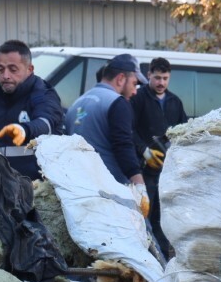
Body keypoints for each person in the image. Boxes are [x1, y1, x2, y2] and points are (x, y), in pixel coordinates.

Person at [131, 56, 187, 260]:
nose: (161, 82)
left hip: (167, 172)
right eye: (157, 78)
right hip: (142, 171)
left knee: (162, 219)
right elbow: (128, 130)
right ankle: (142, 258)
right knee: (142, 216)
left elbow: (183, 130)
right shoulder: (137, 99)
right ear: (148, 76)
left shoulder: (175, 102)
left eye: (165, 78)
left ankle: (163, 260)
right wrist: (143, 149)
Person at [0, 39, 65, 180]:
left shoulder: (43, 94)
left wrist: (24, 130)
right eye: (1, 69)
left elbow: (45, 123)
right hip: (4, 186)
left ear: (29, 69)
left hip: (38, 188)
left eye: (13, 69)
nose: (5, 76)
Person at [65, 53, 145, 186]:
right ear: (120, 79)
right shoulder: (117, 103)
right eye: (134, 83)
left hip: (78, 185)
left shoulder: (76, 103)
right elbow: (123, 145)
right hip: (109, 190)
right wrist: (139, 183)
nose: (135, 91)